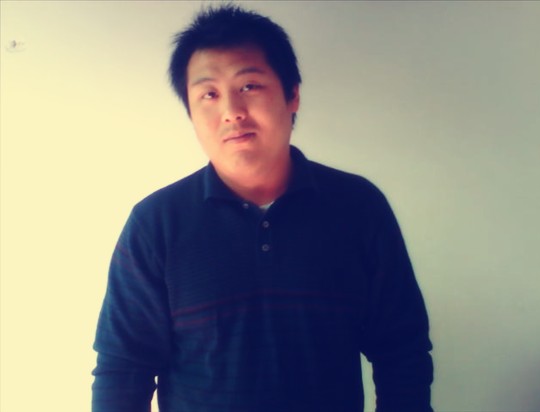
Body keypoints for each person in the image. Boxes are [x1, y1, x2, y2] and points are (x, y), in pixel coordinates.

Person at [92, 4, 434, 412]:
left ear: (293, 95)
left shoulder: (359, 207)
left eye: (249, 86)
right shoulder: (155, 224)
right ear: (191, 112)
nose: (232, 112)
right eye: (209, 94)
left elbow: (402, 349)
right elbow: (123, 369)